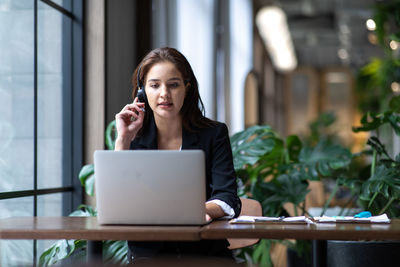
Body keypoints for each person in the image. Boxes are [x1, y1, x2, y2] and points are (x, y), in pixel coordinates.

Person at [114, 47, 241, 263]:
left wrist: (198, 211)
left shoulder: (213, 134)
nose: (164, 93)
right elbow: (117, 203)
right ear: (142, 92)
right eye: (154, 85)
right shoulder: (133, 137)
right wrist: (124, 140)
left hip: (205, 254)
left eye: (173, 85)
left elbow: (228, 198)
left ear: (187, 89)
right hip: (148, 256)